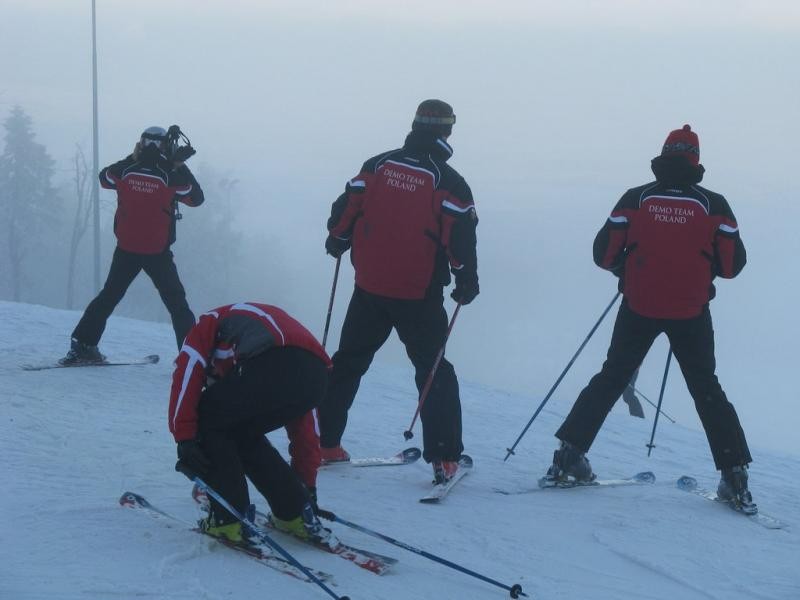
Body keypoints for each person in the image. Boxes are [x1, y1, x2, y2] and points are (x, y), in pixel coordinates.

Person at [543, 125, 755, 510]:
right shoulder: (714, 205)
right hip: (690, 310)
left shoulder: (636, 198)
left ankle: (568, 456)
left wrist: (626, 269)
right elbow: (731, 266)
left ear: (664, 153)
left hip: (638, 306)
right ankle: (735, 476)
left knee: (612, 377)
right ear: (695, 158)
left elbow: (603, 254)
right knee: (706, 389)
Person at [318, 99, 479, 484]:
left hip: (369, 287)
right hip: (417, 295)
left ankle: (324, 444)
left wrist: (337, 238)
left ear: (414, 125)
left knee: (347, 363)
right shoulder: (449, 182)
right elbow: (460, 238)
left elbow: (346, 209)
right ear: (447, 131)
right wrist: (466, 280)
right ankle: (445, 458)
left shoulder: (377, 165)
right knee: (433, 370)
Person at [169, 302, 332, 543]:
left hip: (269, 360)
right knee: (240, 431)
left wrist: (185, 438)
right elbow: (306, 425)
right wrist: (306, 486)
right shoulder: (257, 330)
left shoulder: (208, 324)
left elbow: (186, 373)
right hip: (317, 376)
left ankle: (228, 520)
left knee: (205, 416)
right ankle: (294, 513)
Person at [62, 126, 204, 364]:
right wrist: (177, 164)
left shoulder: (126, 170)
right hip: (157, 252)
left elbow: (105, 177)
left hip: (127, 249)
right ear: (166, 147)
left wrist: (136, 157)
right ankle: (193, 358)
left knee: (109, 296)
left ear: (141, 143)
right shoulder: (170, 176)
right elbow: (196, 198)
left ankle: (83, 346)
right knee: (177, 303)